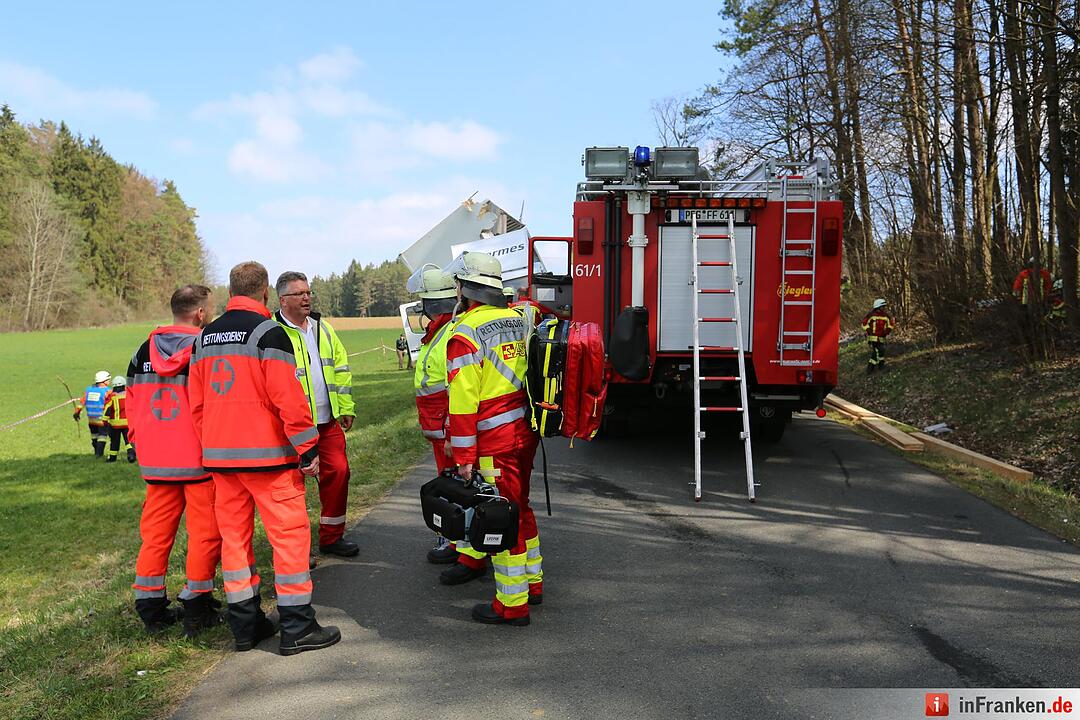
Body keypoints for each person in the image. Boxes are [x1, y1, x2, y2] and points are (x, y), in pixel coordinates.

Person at [190, 261, 340, 656]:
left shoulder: (204, 338)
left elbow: (197, 405)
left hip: (222, 463)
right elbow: (289, 400)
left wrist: (212, 445)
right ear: (265, 292)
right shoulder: (269, 333)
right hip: (270, 460)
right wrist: (308, 448)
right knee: (289, 540)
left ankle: (246, 627)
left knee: (234, 543)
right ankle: (297, 627)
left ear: (230, 291)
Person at [444, 251, 542, 626]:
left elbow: (463, 404)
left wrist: (463, 457)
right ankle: (533, 583)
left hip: (494, 442)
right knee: (522, 507)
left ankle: (512, 605)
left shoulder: (464, 334)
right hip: (524, 434)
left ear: (464, 288)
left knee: (501, 517)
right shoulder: (518, 319)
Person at [127, 284, 223, 637]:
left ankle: (150, 606)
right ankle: (197, 604)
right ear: (200, 313)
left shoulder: (142, 350)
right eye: (211, 308)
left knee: (155, 536)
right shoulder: (204, 348)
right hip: (198, 460)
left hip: (156, 461)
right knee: (204, 536)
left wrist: (140, 439)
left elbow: (131, 401)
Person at [273, 271, 358, 558]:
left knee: (339, 472)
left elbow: (341, 368)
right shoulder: (272, 332)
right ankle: (297, 550)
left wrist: (345, 407)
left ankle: (331, 537)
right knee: (292, 487)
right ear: (283, 300)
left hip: (327, 421)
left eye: (308, 292)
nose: (307, 298)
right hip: (290, 426)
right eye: (299, 293)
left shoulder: (323, 328)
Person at [405, 264, 460, 564]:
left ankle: (457, 543)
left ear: (432, 302)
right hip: (441, 428)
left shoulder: (449, 332)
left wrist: (452, 432)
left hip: (448, 428)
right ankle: (458, 539)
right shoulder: (438, 331)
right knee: (450, 482)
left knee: (455, 485)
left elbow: (457, 389)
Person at [73, 371, 111, 457]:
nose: (109, 381)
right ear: (104, 381)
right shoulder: (107, 391)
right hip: (102, 419)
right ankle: (99, 453)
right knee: (102, 436)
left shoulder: (89, 390)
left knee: (94, 436)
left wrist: (76, 413)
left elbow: (81, 403)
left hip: (91, 419)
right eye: (108, 379)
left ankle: (96, 451)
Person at [101, 376, 135, 463]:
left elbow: (107, 409)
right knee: (128, 441)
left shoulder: (111, 396)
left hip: (114, 424)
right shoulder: (129, 395)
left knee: (114, 442)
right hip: (127, 423)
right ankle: (131, 455)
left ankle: (112, 458)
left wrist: (104, 421)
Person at [862, 298, 895, 373]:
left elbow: (891, 324)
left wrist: (887, 331)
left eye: (884, 306)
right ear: (878, 307)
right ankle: (873, 368)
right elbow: (864, 324)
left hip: (882, 337)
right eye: (882, 306)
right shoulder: (871, 315)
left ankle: (874, 367)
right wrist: (869, 331)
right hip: (873, 338)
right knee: (877, 351)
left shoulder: (886, 316)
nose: (884, 308)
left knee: (881, 351)